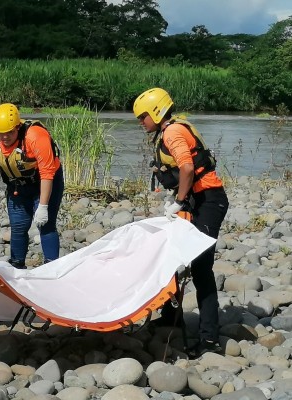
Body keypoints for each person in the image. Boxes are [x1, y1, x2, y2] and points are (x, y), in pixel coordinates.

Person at [133, 87, 229, 358]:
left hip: (209, 202)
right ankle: (169, 315)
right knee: (173, 256)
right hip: (194, 201)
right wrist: (179, 200)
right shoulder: (166, 131)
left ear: (156, 111)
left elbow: (187, 168)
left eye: (142, 117)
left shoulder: (173, 132)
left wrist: (180, 200)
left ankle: (209, 338)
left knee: (201, 269)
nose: (141, 122)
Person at [0, 103, 64, 269]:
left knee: (46, 225)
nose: (5, 137)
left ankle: (52, 267)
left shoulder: (35, 136)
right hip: (17, 187)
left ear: (17, 127)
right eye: (1, 133)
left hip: (45, 183)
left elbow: (47, 173)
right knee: (18, 226)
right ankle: (17, 266)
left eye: (10, 132)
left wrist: (43, 206)